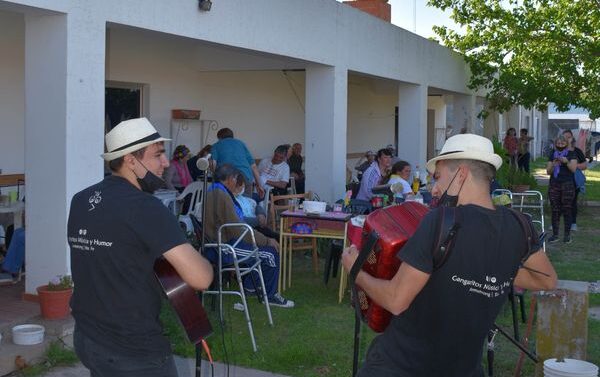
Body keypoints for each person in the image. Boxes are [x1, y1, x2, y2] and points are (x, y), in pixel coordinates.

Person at [342, 133, 557, 377]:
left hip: (401, 365)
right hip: (465, 368)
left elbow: (395, 300)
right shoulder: (521, 226)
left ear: (461, 174)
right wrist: (488, 271)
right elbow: (546, 279)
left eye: (438, 177)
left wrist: (356, 269)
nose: (435, 189)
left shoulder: (440, 221)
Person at [68, 117, 214, 377]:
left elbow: (116, 254)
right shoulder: (145, 207)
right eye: (157, 155)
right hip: (133, 351)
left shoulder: (81, 200)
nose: (166, 163)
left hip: (88, 338)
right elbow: (201, 278)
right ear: (130, 160)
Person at [203, 164, 294, 308]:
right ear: (231, 179)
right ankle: (270, 296)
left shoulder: (215, 190)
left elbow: (236, 226)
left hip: (222, 242)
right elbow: (238, 228)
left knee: (264, 249)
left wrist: (261, 240)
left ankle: (251, 288)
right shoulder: (220, 194)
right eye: (236, 179)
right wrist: (266, 240)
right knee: (270, 254)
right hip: (223, 248)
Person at [211, 128, 265, 198]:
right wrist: (259, 185)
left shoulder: (216, 145)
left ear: (220, 138)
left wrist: (214, 177)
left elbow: (213, 164)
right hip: (245, 176)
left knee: (226, 204)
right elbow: (253, 166)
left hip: (227, 177)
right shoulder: (240, 143)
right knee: (246, 203)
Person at [546, 135, 578, 243]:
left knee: (567, 209)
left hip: (567, 184)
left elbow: (573, 169)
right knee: (555, 209)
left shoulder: (571, 154)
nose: (560, 145)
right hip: (554, 184)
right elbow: (548, 172)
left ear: (566, 144)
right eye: (558, 144)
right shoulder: (552, 154)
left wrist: (566, 162)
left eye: (562, 144)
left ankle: (567, 235)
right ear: (555, 144)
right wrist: (553, 165)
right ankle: (555, 235)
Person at [562, 129, 587, 231]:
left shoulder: (577, 151)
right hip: (561, 180)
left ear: (572, 138)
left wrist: (574, 166)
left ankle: (573, 223)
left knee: (572, 202)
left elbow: (585, 165)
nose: (567, 139)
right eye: (565, 137)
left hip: (573, 181)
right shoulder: (559, 150)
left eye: (569, 137)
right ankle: (556, 222)